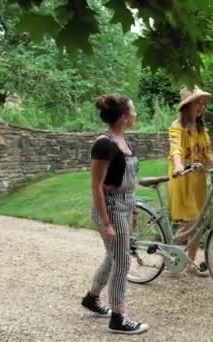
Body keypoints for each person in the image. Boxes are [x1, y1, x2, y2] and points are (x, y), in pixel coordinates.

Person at [81, 95, 148, 334]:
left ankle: (92, 298)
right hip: (111, 209)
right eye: (133, 111)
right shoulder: (104, 144)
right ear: (123, 117)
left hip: (125, 206)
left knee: (113, 257)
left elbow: (128, 181)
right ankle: (118, 317)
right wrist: (107, 222)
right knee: (122, 261)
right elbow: (96, 186)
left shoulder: (122, 141)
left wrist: (134, 207)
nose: (136, 114)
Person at [168, 86, 213, 276]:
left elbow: (207, 154)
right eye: (197, 103)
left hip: (198, 178)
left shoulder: (201, 129)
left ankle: (189, 261)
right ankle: (171, 253)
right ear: (186, 107)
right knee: (191, 221)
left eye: (202, 104)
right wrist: (179, 165)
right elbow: (175, 149)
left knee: (199, 222)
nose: (201, 107)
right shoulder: (177, 127)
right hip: (182, 177)